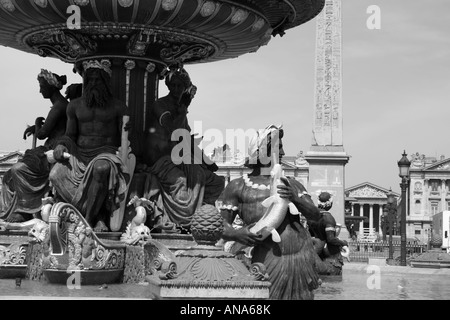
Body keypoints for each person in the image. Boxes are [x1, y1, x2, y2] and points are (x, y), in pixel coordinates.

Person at [220, 125, 321, 300]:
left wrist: (295, 198)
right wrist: (237, 234)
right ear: (261, 151)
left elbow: (316, 216)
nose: (282, 151)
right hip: (265, 259)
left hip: (299, 258)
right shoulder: (238, 186)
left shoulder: (291, 184)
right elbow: (220, 226)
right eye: (277, 146)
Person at [49, 59, 130, 231]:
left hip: (106, 153)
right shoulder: (74, 106)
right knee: (55, 174)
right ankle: (94, 214)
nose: (93, 83)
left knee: (101, 169)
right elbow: (70, 135)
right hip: (79, 154)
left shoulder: (118, 107)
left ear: (105, 82)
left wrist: (128, 135)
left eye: (97, 79)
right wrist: (62, 145)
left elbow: (126, 139)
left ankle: (87, 221)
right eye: (90, 80)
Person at [141, 68, 224, 232]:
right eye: (174, 85)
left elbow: (186, 139)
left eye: (181, 86)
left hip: (178, 157)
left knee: (213, 181)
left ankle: (203, 220)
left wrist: (206, 161)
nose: (177, 89)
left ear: (186, 88)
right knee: (181, 182)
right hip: (159, 159)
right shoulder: (160, 105)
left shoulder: (181, 111)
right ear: (169, 86)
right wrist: (184, 107)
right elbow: (173, 130)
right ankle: (181, 224)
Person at [0, 70, 68, 223]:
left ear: (51, 86)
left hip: (53, 150)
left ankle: (25, 210)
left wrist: (37, 124)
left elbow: (43, 133)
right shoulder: (59, 105)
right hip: (49, 147)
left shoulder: (59, 106)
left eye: (42, 86)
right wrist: (35, 127)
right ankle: (8, 211)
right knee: (8, 175)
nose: (40, 90)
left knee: (18, 170)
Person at [308, 191, 349, 275]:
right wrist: (343, 243)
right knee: (333, 282)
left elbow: (310, 234)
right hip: (329, 255)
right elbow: (330, 239)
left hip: (317, 250)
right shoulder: (328, 218)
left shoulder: (311, 216)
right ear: (329, 203)